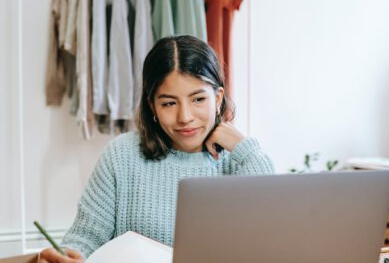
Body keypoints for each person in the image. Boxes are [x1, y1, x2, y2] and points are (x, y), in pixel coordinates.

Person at [38, 35, 274, 262]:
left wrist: (245, 147)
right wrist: (67, 255)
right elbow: (85, 237)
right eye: (169, 103)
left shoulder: (239, 160)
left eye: (198, 100)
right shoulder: (121, 155)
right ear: (152, 106)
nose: (185, 117)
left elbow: (271, 234)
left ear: (218, 98)